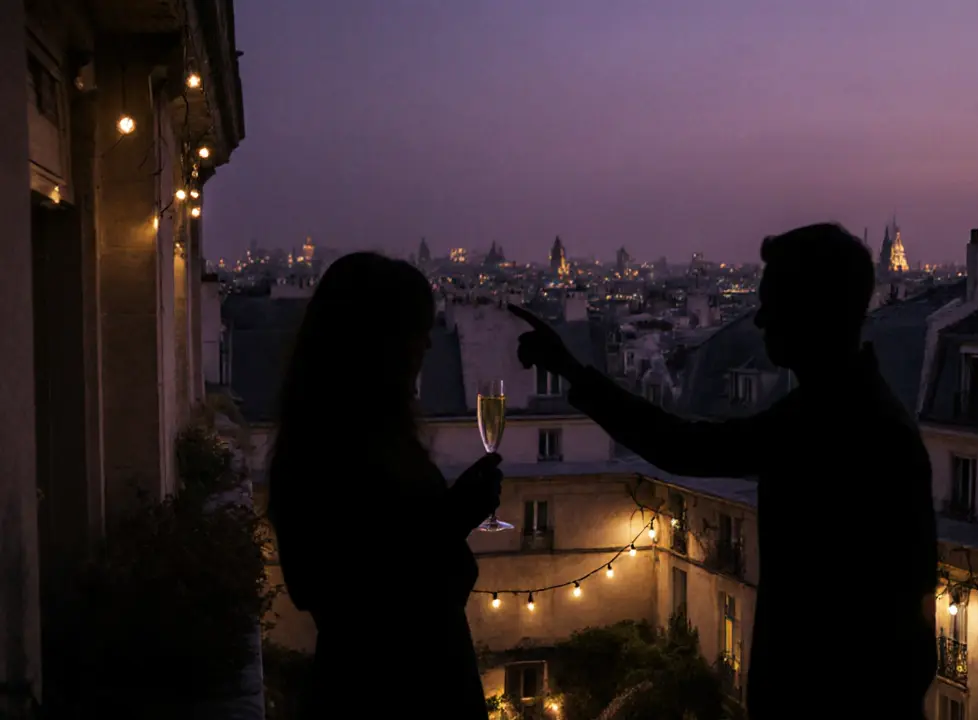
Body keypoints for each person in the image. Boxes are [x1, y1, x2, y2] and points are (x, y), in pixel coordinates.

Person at [511, 223, 937, 718]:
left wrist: (572, 371)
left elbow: (682, 447)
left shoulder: (832, 420)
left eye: (773, 301)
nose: (759, 319)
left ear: (811, 310)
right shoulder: (856, 412)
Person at [268, 252, 502, 718]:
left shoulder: (320, 442)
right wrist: (453, 519)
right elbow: (364, 598)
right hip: (398, 691)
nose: (429, 347)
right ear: (379, 343)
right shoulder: (351, 451)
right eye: (419, 330)